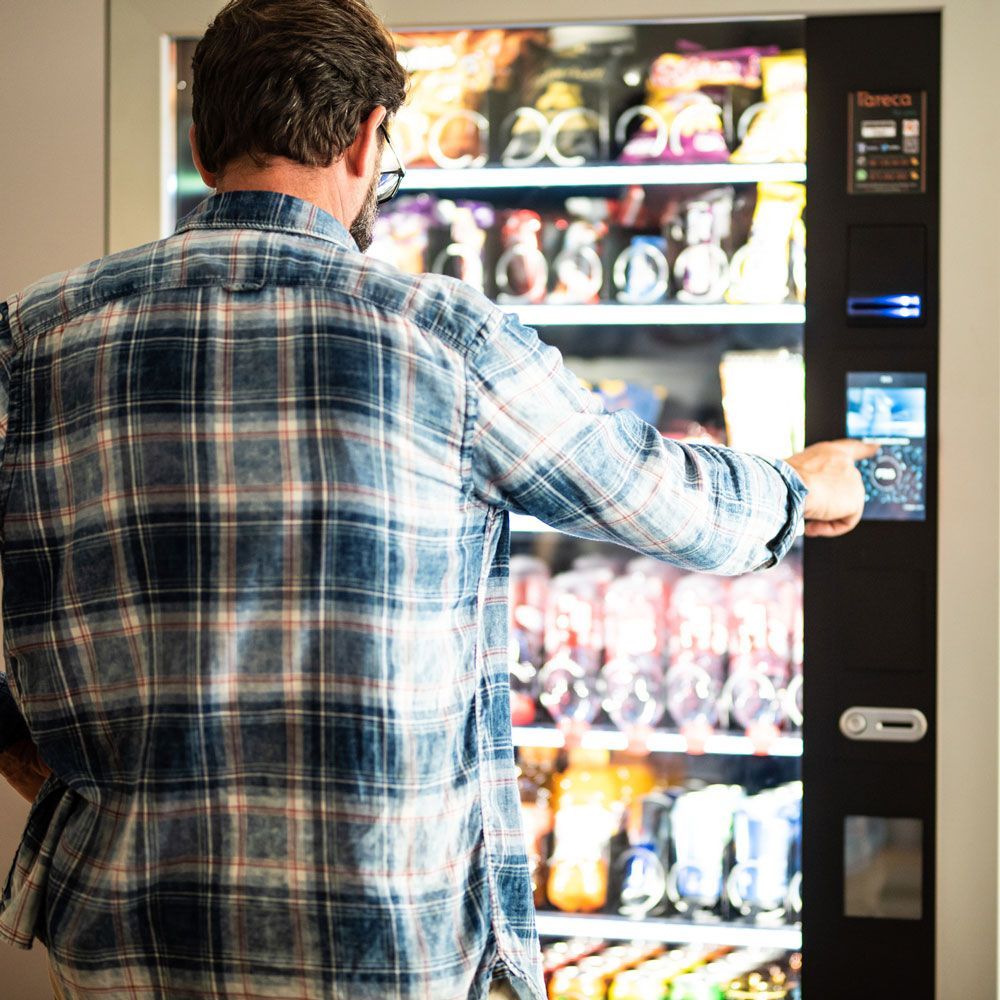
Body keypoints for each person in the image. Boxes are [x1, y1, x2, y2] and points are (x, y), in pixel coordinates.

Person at [0, 1, 873, 997]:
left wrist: (26, 747)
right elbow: (664, 503)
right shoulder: (440, 336)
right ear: (373, 136)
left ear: (199, 142)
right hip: (381, 937)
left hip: (126, 938)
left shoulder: (36, 336)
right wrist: (800, 487)